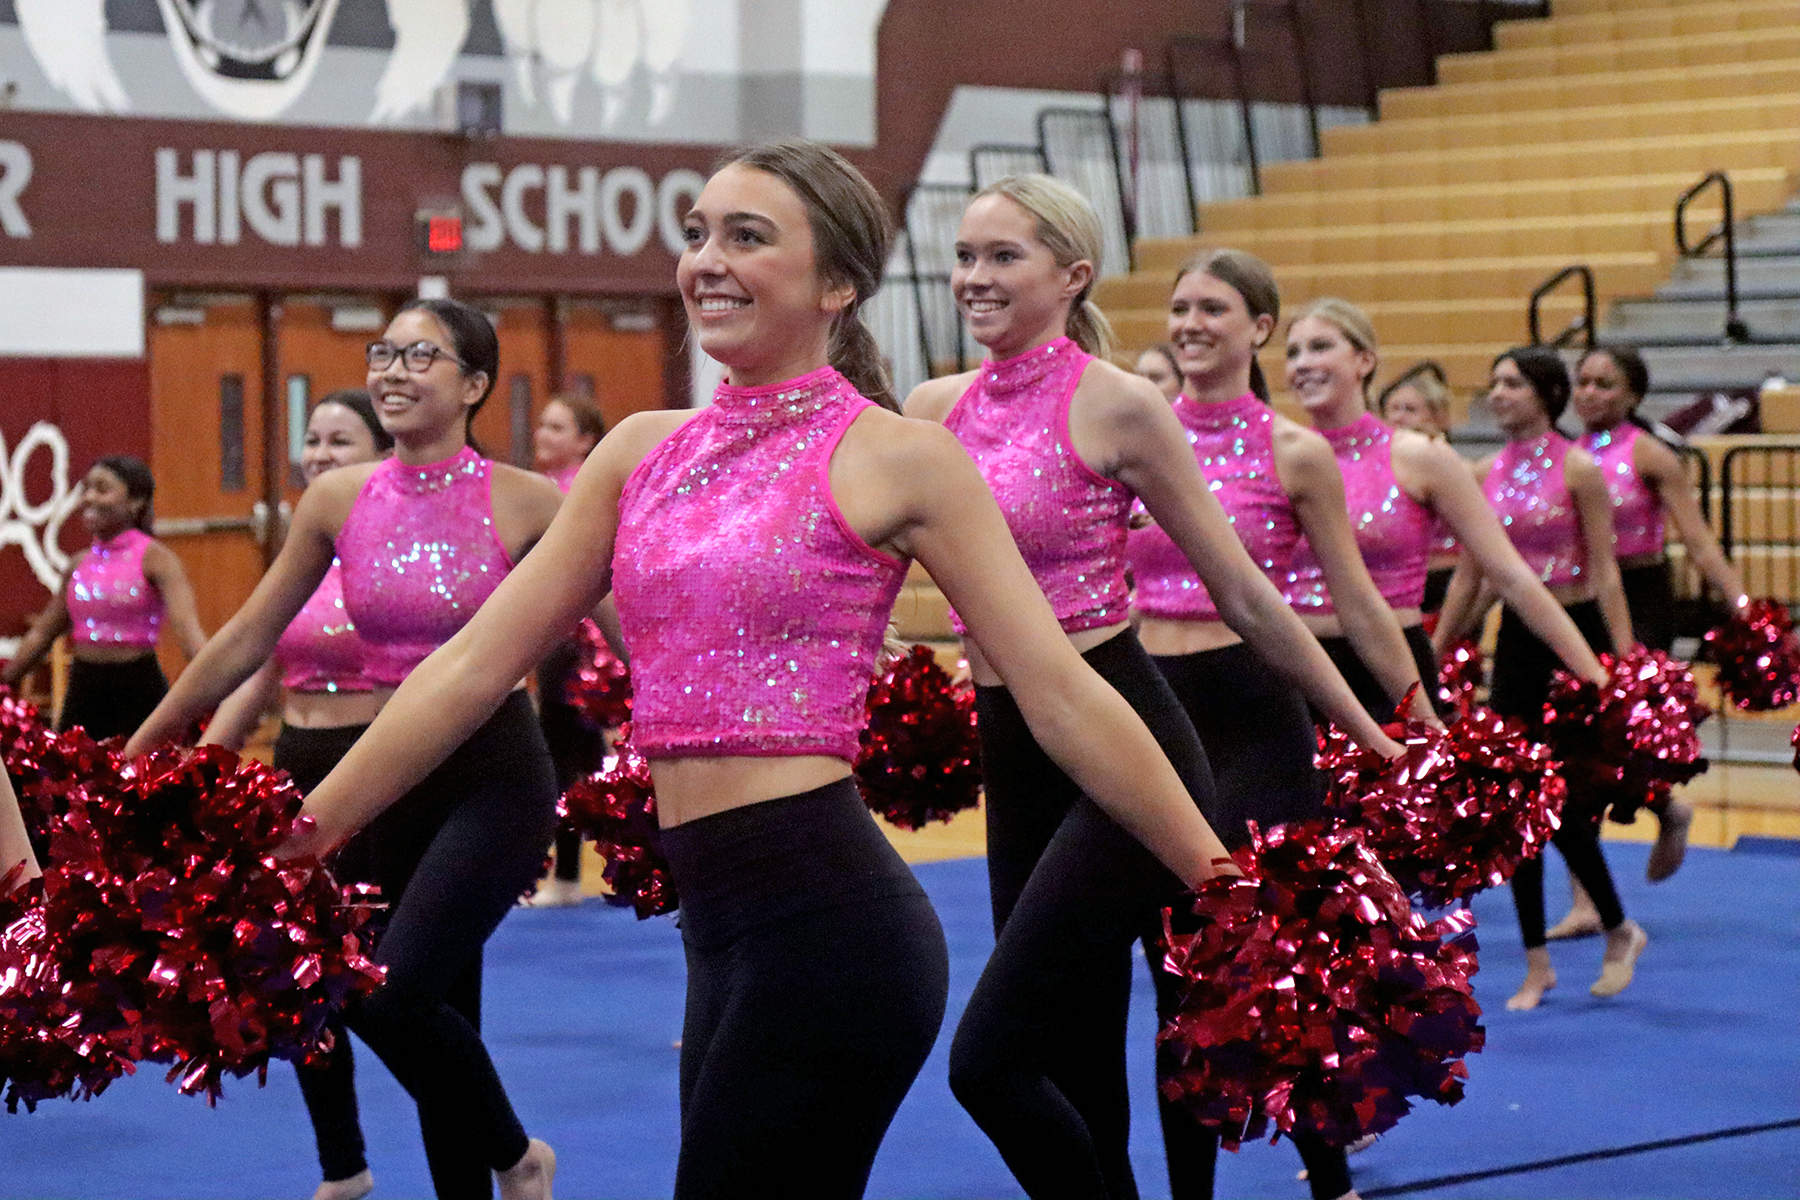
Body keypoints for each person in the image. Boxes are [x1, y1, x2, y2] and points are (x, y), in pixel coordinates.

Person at [250, 141, 1254, 1200]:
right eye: (696, 235)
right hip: (716, 928)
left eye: (746, 236)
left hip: (831, 927)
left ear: (837, 285)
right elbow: (468, 668)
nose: (707, 262)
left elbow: (1058, 689)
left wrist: (1220, 879)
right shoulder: (640, 450)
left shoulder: (897, 455)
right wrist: (301, 835)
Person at [906, 184, 1401, 1200]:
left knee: (993, 1059)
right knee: (1072, 1058)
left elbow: (1248, 595)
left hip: (1122, 739)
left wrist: (1376, 732)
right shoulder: (930, 409)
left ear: (1071, 276)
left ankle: (1320, 1174)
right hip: (1016, 752)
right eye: (965, 256)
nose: (973, 279)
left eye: (1003, 257)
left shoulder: (1119, 405)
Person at [128, 298, 566, 1200]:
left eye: (422, 356)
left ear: (475, 385)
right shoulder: (337, 500)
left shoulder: (528, 499)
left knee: (393, 994)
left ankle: (520, 1158)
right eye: (384, 352)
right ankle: (488, 1182)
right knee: (427, 1007)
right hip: (388, 773)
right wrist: (147, 744)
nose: (394, 370)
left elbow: (625, 621)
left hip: (495, 773)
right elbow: (248, 636)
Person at [199, 391, 425, 1200]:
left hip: (374, 769)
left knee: (384, 986)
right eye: (313, 440)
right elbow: (256, 673)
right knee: (296, 979)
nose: (321, 455)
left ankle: (489, 1134)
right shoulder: (302, 548)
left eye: (342, 440)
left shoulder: (400, 563)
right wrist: (191, 769)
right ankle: (344, 1165)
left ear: (381, 449)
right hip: (292, 768)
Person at [1432, 346, 1648, 1011]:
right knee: (1517, 799)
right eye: (1493, 381)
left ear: (1546, 395)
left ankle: (1614, 928)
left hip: (1574, 635)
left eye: (1511, 384)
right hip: (1520, 643)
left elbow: (1606, 570)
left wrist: (1623, 663)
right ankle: (1544, 960)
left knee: (1552, 802)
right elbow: (1473, 573)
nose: (1495, 394)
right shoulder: (1482, 473)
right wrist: (1434, 651)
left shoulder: (1580, 469)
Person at [1281, 299, 1608, 725]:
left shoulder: (1420, 456)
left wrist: (1600, 681)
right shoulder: (1277, 458)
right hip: (1294, 673)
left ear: (1364, 360)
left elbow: (1510, 574)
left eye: (1320, 346)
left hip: (1391, 679)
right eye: (1293, 352)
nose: (1303, 363)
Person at [1566, 343, 1747, 891]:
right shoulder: (1565, 454)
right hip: (1580, 599)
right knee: (1573, 745)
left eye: (1605, 384)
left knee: (1621, 735)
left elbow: (1698, 540)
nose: (1589, 393)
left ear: (1634, 395)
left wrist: (1745, 608)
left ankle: (1667, 809)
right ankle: (1587, 897)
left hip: (1641, 597)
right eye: (1583, 382)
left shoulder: (1650, 454)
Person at [3, 456, 206, 740]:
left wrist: (217, 689)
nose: (88, 498)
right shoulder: (78, 565)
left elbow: (188, 633)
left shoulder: (157, 560)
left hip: (139, 690)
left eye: (101, 489)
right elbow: (41, 634)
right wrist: (4, 680)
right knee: (69, 780)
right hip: (83, 691)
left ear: (136, 502)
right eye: (86, 489)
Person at [528, 393, 610, 907]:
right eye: (541, 424)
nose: (542, 434)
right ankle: (576, 871)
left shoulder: (579, 491)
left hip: (580, 646)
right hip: (564, 639)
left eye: (556, 427)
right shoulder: (547, 490)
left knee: (565, 755)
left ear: (585, 440)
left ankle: (566, 877)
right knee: (585, 756)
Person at [1377, 363, 1460, 612]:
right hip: (1396, 583)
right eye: (1393, 409)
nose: (1399, 417)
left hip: (1444, 581)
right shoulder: (1377, 472)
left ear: (1437, 417)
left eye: (1410, 409)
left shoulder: (1456, 468)